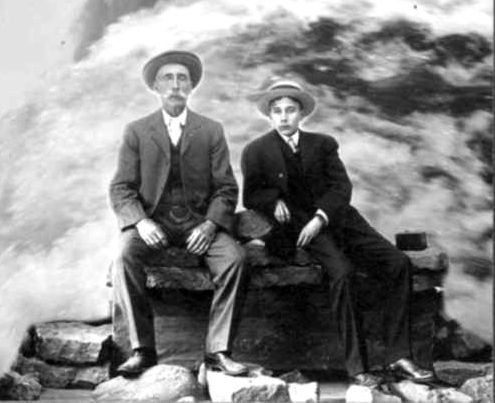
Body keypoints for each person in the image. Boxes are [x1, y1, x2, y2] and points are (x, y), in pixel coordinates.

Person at [241, 79, 434, 388]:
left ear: (302, 113)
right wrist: (273, 200)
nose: (284, 117)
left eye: (290, 110)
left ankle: (399, 356)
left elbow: (341, 187)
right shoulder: (256, 150)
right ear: (269, 115)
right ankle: (358, 369)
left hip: (338, 219)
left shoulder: (323, 144)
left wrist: (321, 217)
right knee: (342, 273)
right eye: (277, 111)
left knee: (398, 263)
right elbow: (251, 195)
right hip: (298, 228)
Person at [109, 50, 261, 378]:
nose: (175, 85)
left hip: (198, 222)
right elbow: (121, 188)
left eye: (182, 78)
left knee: (235, 259)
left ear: (191, 87)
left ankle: (218, 351)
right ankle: (142, 350)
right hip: (153, 221)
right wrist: (141, 222)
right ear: (155, 87)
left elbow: (226, 188)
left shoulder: (210, 130)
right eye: (168, 78)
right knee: (123, 257)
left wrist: (210, 225)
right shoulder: (137, 131)